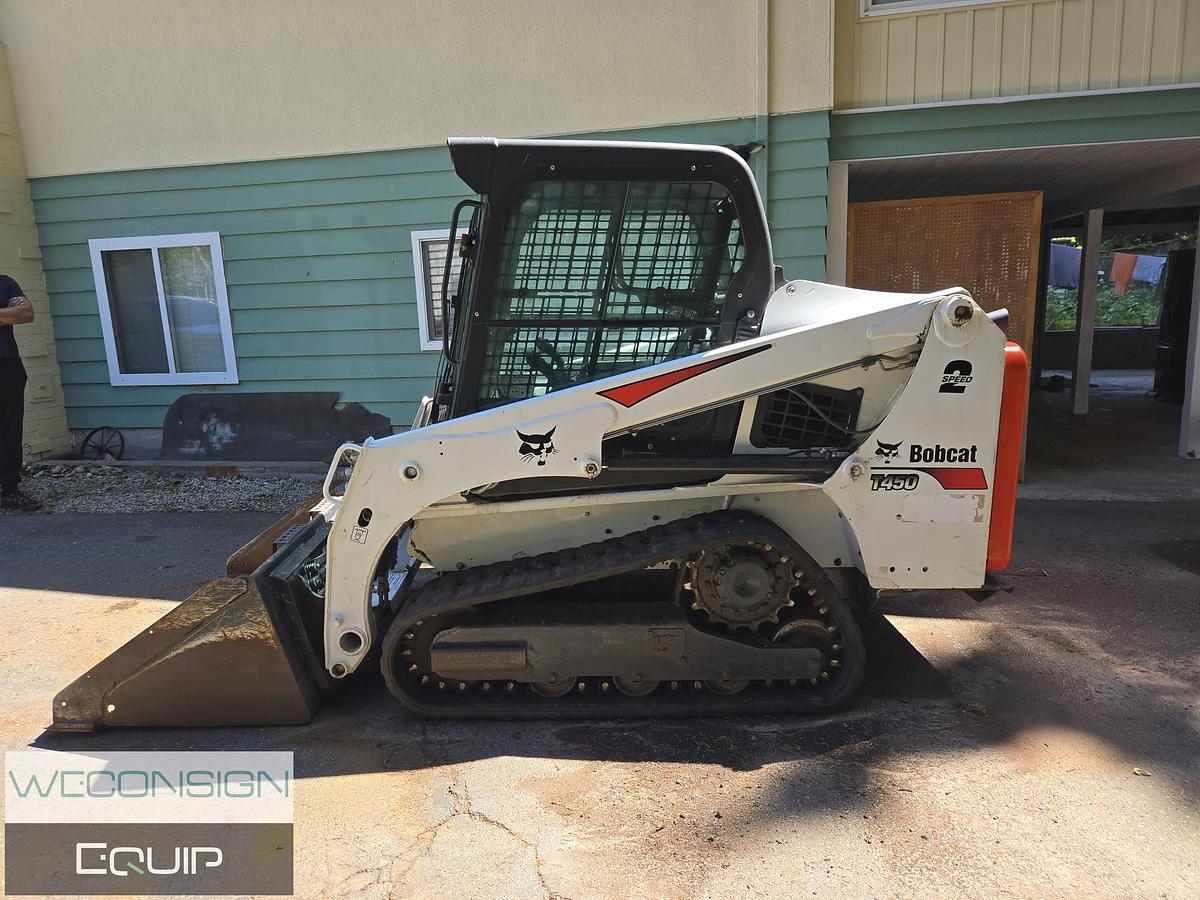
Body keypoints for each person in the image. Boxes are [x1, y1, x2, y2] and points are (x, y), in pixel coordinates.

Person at [0, 274, 41, 511]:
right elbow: (15, 315)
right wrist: (7, 314)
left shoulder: (5, 283)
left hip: (7, 364)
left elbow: (26, 314)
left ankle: (10, 490)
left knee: (10, 429)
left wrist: (14, 314)